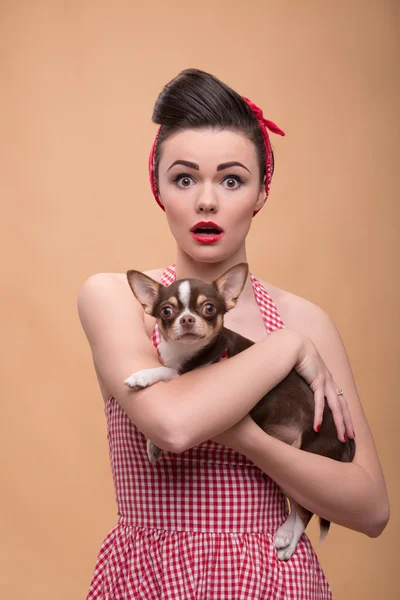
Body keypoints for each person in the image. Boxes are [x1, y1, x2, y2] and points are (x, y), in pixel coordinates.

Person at [78, 68, 389, 599]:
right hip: (151, 579)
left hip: (275, 580)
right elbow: (172, 426)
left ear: (261, 191)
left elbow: (370, 507)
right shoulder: (116, 297)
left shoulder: (307, 318)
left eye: (231, 179)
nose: (206, 202)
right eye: (184, 178)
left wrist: (249, 440)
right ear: (157, 188)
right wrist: (286, 348)